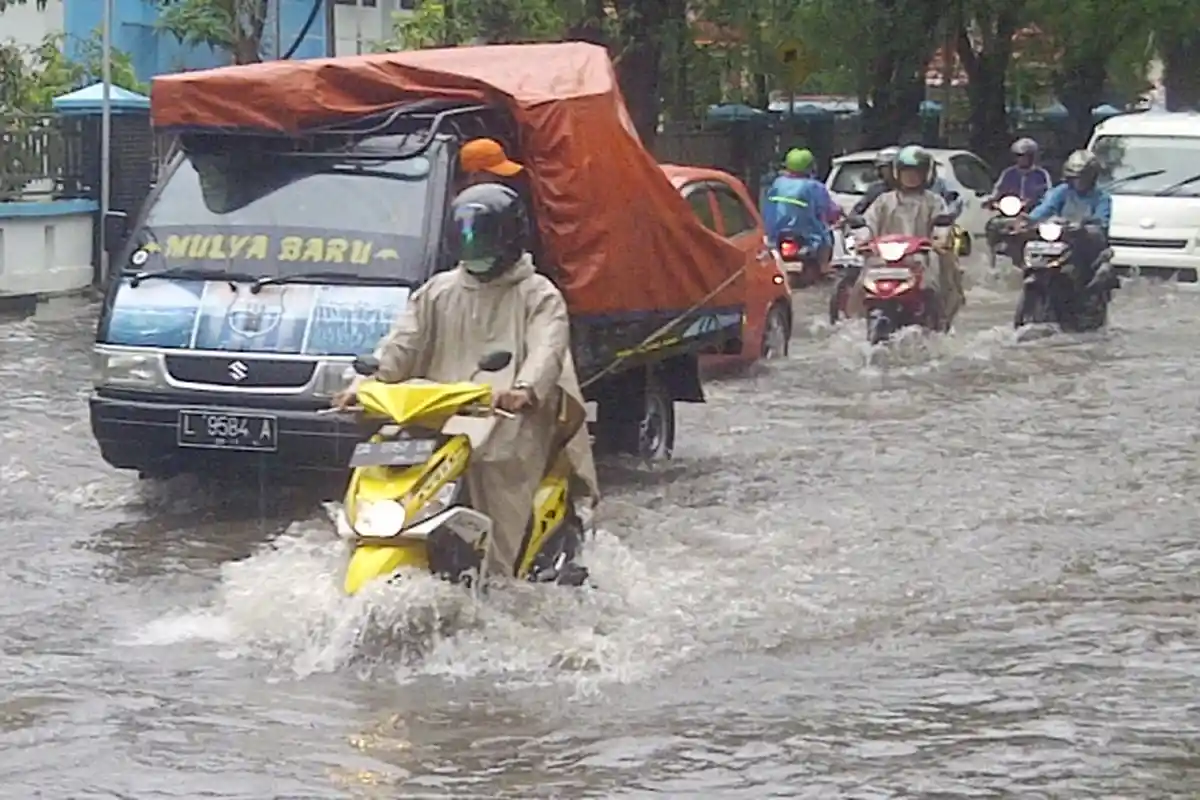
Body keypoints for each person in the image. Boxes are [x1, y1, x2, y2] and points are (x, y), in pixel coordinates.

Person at [334, 182, 599, 580]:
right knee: (384, 456)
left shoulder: (538, 294)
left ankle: (501, 580)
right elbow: (400, 345)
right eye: (468, 242)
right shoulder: (437, 291)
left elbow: (547, 348)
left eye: (485, 241)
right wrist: (361, 385)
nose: (477, 252)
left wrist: (523, 390)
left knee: (493, 468)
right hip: (434, 412)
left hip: (506, 418)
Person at [853, 145, 965, 326]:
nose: (911, 177)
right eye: (906, 172)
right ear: (897, 173)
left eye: (916, 172)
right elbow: (868, 222)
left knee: (936, 284)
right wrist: (862, 240)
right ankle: (854, 322)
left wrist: (938, 241)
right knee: (859, 285)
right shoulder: (884, 200)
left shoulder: (933, 201)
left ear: (926, 174)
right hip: (884, 260)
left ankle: (937, 321)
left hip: (920, 258)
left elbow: (941, 224)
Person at [1027, 148, 1115, 290]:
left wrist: (1084, 225)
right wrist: (1027, 220)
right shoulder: (1062, 191)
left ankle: (1082, 291)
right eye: (1075, 178)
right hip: (1060, 239)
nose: (1079, 181)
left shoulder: (1101, 198)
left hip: (1085, 242)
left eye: (1083, 177)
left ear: (1091, 177)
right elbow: (1044, 209)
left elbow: (1101, 222)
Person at [763, 147, 841, 271]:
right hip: (808, 236)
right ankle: (824, 267)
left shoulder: (777, 183)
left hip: (775, 236)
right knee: (827, 238)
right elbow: (829, 210)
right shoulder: (815, 186)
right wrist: (837, 215)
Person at [987, 137, 1052, 210]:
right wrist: (991, 200)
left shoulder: (1041, 174)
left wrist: (1034, 202)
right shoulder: (1008, 173)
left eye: (1028, 155)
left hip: (1033, 212)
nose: (1024, 158)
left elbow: (1048, 195)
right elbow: (998, 191)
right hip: (1009, 210)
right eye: (1020, 155)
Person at [850, 146, 899, 215]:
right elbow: (857, 212)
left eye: (883, 167)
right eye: (880, 168)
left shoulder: (913, 190)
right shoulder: (876, 190)